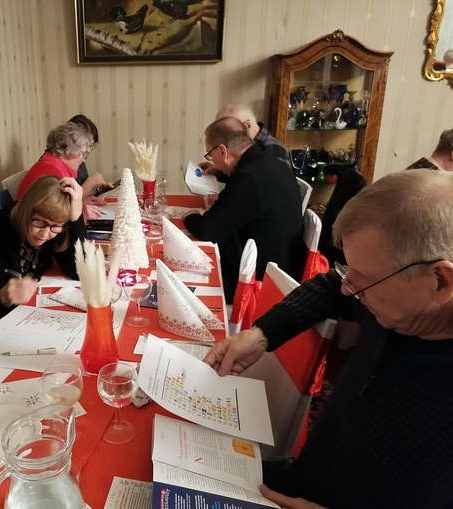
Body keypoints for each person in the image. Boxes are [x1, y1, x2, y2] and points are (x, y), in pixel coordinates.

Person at [203, 169, 453, 508]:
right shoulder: (397, 303)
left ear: (440, 281)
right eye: (349, 270)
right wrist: (261, 333)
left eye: (365, 280)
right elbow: (331, 286)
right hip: (304, 480)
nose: (350, 289)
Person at [183, 116, 304, 303]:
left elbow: (208, 230)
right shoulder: (268, 162)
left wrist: (188, 217)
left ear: (223, 150)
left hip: (263, 279)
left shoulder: (248, 178)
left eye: (210, 153)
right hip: (284, 264)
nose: (211, 159)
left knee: (187, 272)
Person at [0, 175, 86, 332]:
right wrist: (4, 298)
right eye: (39, 222)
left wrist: (76, 217)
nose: (44, 234)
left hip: (28, 312)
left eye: (55, 226)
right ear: (27, 210)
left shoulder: (53, 224)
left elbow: (79, 271)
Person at [16, 122, 109, 221]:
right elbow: (55, 220)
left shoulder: (50, 164)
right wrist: (81, 215)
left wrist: (80, 203)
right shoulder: (53, 175)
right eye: (84, 154)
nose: (83, 160)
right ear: (69, 151)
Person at [215, 104, 291, 171]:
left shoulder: (273, 151)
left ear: (247, 126)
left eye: (228, 132)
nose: (224, 139)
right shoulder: (246, 144)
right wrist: (221, 171)